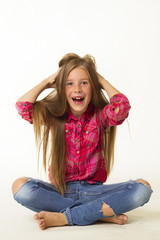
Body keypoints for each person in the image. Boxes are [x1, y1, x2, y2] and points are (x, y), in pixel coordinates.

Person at [12, 53, 152, 230]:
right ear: (61, 88)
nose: (77, 89)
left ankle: (65, 217)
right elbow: (23, 106)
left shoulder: (100, 116)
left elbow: (121, 107)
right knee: (20, 186)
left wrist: (99, 79)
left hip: (93, 192)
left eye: (84, 82)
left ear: (93, 87)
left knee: (143, 189)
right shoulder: (53, 117)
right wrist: (48, 81)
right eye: (69, 83)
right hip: (59, 192)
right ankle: (98, 215)